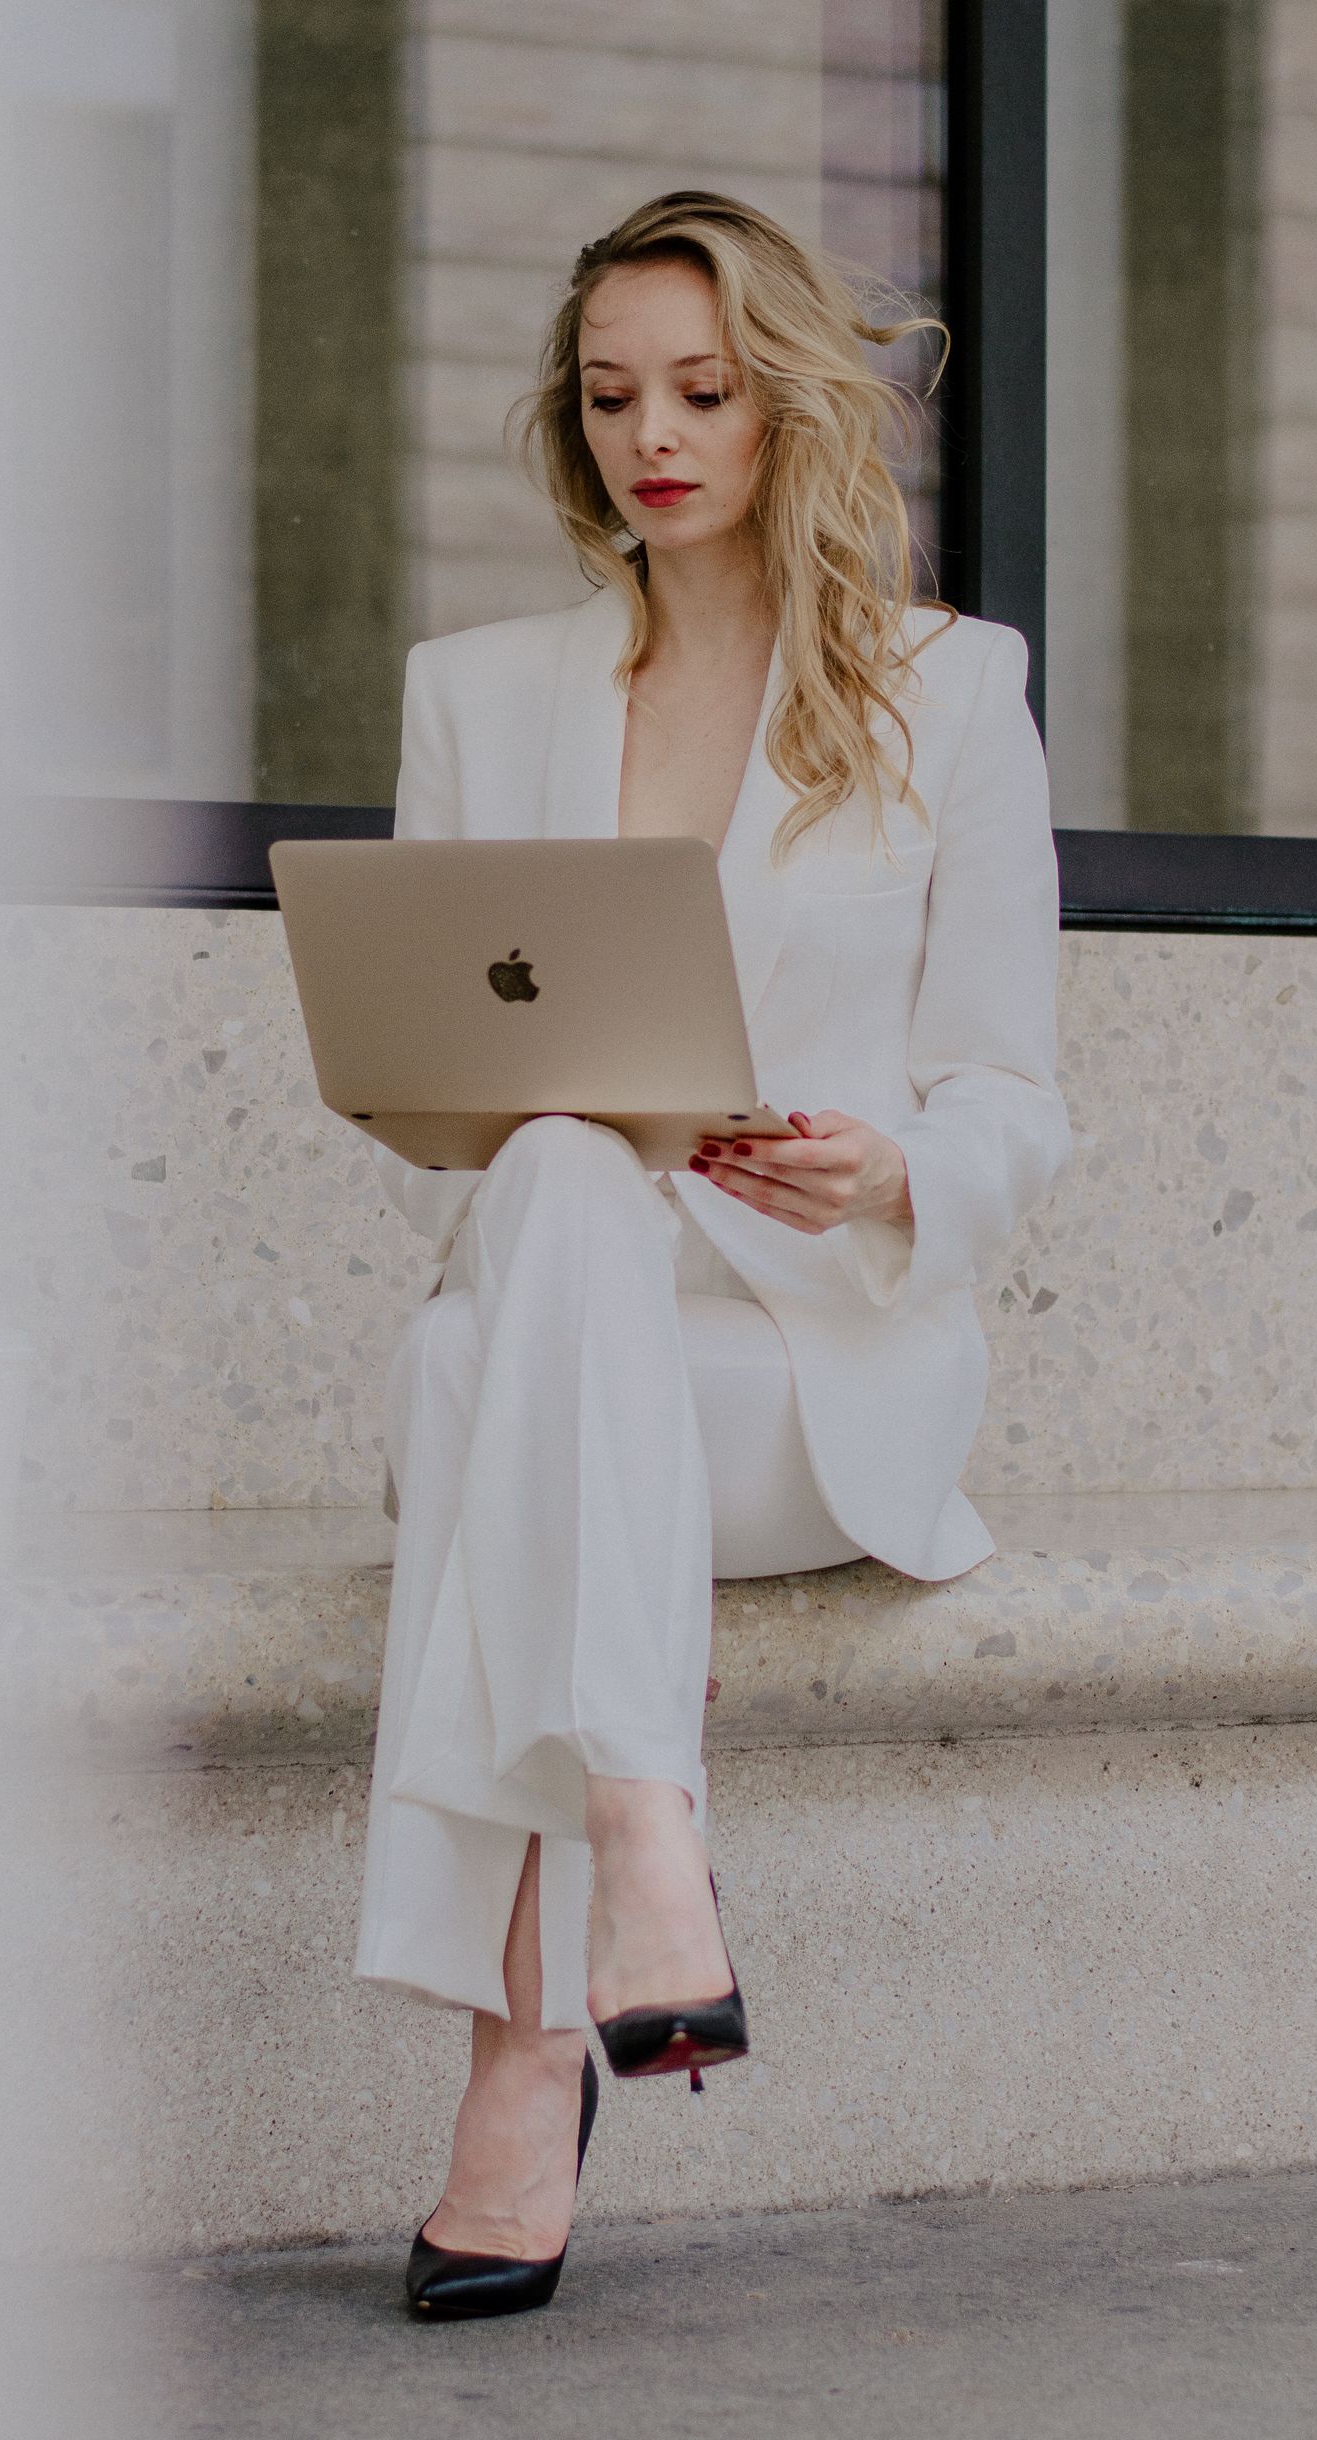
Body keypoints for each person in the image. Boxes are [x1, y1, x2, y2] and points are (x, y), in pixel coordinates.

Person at [353, 190, 1070, 2319]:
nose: (652, 434)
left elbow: (1016, 1100)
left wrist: (892, 1171)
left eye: (702, 389)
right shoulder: (478, 697)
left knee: (474, 1397)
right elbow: (433, 1101)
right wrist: (541, 1121)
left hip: (798, 1362)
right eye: (609, 396)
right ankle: (647, 1852)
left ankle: (520, 2047)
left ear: (789, 408)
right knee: (557, 1169)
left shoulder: (948, 693)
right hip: (575, 1310)